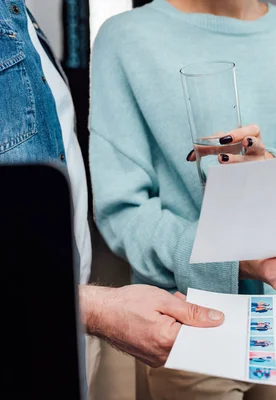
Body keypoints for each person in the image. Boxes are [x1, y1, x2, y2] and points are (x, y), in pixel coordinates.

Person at [89, 1, 276, 397]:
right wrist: (226, 256)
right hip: (188, 313)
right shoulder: (126, 37)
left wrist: (273, 168)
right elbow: (122, 210)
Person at [0, 1, 224, 396]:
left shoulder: (18, 18)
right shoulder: (124, 36)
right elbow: (122, 204)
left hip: (61, 329)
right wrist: (92, 308)